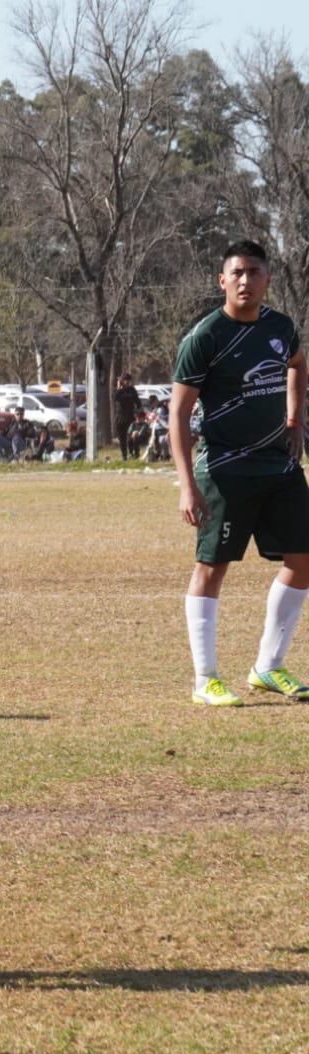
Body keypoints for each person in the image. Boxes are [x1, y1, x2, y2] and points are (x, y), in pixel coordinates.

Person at [173, 240, 309, 707]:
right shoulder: (205, 337)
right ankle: (205, 679)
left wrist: (294, 421)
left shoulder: (280, 328)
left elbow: (297, 365)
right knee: (212, 568)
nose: (246, 280)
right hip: (226, 471)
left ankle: (268, 667)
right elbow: (178, 414)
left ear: (268, 278)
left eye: (254, 271)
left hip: (280, 465)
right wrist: (187, 484)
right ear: (222, 281)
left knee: (304, 560)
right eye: (237, 273)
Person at [113, 373, 140, 461]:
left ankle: (134, 454)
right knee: (122, 439)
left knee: (131, 437)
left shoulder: (132, 390)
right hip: (120, 418)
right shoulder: (118, 391)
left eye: (128, 380)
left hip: (130, 417)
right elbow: (115, 398)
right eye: (124, 380)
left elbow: (138, 402)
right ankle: (124, 456)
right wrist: (118, 388)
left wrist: (137, 411)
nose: (127, 382)